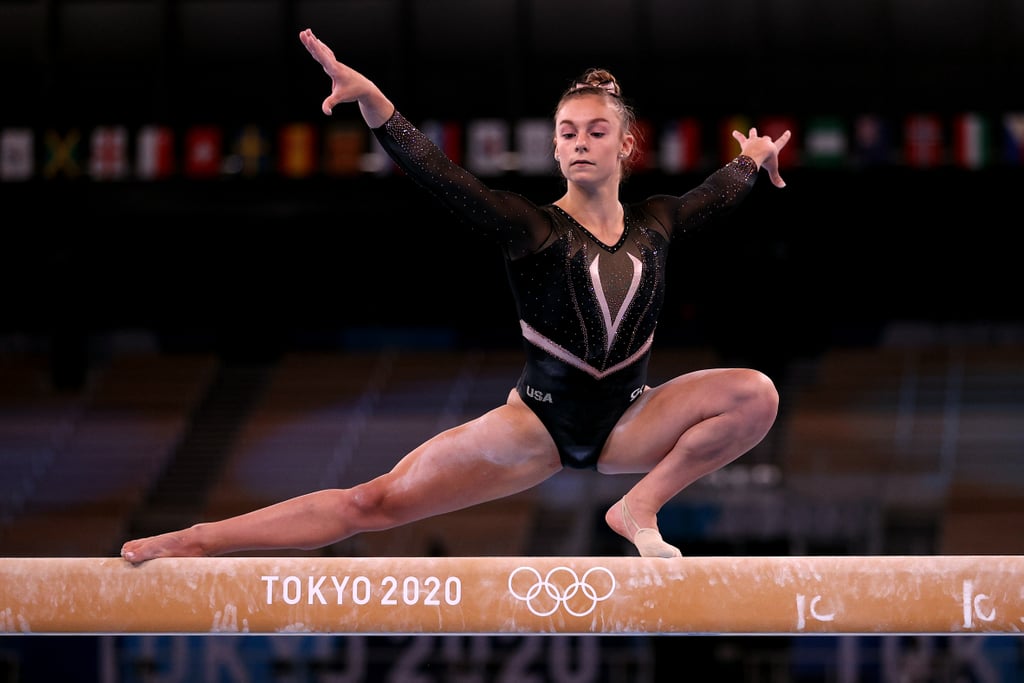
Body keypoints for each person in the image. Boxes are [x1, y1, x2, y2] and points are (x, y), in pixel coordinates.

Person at [121, 28, 791, 564]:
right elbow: (442, 177)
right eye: (567, 132)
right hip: (534, 425)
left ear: (627, 143)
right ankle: (197, 540)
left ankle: (639, 507)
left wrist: (752, 160)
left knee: (755, 394)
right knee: (371, 503)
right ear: (555, 149)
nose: (580, 142)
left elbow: (718, 193)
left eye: (594, 131)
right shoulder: (531, 228)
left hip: (630, 422)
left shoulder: (659, 223)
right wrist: (377, 107)